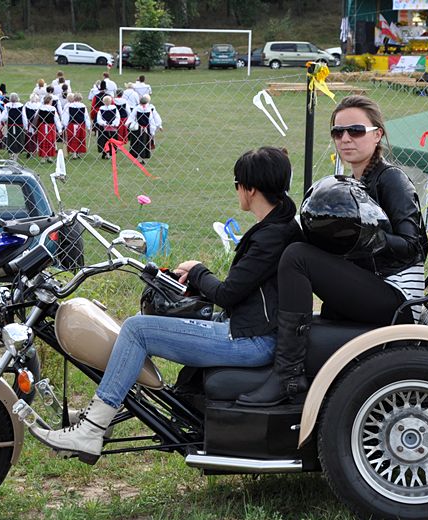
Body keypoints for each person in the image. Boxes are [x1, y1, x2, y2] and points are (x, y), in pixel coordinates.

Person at [29, 147, 303, 462]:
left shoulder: (271, 236)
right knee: (141, 328)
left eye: (236, 185)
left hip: (251, 341)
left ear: (250, 189)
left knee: (137, 330)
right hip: (249, 330)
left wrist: (199, 272)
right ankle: (100, 416)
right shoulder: (279, 225)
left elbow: (228, 293)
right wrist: (197, 276)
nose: (237, 192)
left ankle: (92, 429)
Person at [237, 95, 428, 406]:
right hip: (373, 286)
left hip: (398, 298)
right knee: (297, 246)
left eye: (355, 130)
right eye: (337, 132)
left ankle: (287, 375)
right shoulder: (353, 180)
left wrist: (364, 234)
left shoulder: (392, 179)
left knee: (298, 257)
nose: (345, 139)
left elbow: (412, 247)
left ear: (377, 134)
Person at [128, 94, 162, 163]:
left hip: (137, 129)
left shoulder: (136, 108)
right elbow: (151, 120)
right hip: (146, 129)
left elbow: (131, 117)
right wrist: (154, 130)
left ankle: (136, 157)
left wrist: (128, 124)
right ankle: (143, 158)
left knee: (136, 142)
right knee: (144, 143)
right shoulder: (149, 110)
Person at [63, 92, 91, 159]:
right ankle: (79, 152)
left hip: (72, 125)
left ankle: (74, 153)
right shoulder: (83, 106)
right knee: (80, 138)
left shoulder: (69, 106)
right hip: (81, 125)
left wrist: (65, 125)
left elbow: (66, 116)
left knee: (73, 138)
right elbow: (86, 117)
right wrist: (89, 126)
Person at [36, 94, 61, 163]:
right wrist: (60, 129)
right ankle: (49, 157)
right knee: (50, 141)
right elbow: (57, 119)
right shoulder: (53, 108)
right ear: (49, 101)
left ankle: (43, 158)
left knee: (42, 141)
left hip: (42, 127)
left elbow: (36, 117)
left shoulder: (40, 108)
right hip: (50, 127)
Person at [0, 92, 26, 159]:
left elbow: (3, 117)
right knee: (18, 139)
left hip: (10, 125)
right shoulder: (21, 106)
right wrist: (26, 126)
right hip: (19, 126)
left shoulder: (7, 106)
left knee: (10, 139)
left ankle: (11, 154)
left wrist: (5, 120)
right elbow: (24, 117)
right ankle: (15, 155)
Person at [23, 93, 41, 157]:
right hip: (37, 123)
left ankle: (29, 150)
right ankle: (35, 150)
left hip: (29, 123)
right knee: (36, 137)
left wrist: (25, 125)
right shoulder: (39, 105)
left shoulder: (27, 105)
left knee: (29, 137)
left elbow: (24, 116)